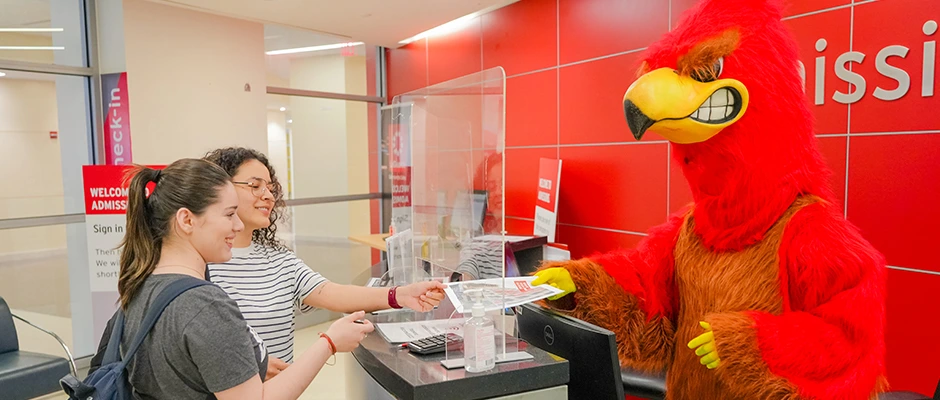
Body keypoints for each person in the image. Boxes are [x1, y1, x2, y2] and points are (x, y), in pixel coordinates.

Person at [114, 158, 374, 399]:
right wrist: (328, 343)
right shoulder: (206, 305)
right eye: (229, 215)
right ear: (186, 220)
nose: (237, 226)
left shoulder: (140, 285)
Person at [203, 147, 446, 379]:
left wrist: (400, 296)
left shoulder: (278, 258)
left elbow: (329, 293)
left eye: (270, 187)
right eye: (255, 186)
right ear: (220, 189)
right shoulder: (200, 264)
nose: (267, 195)